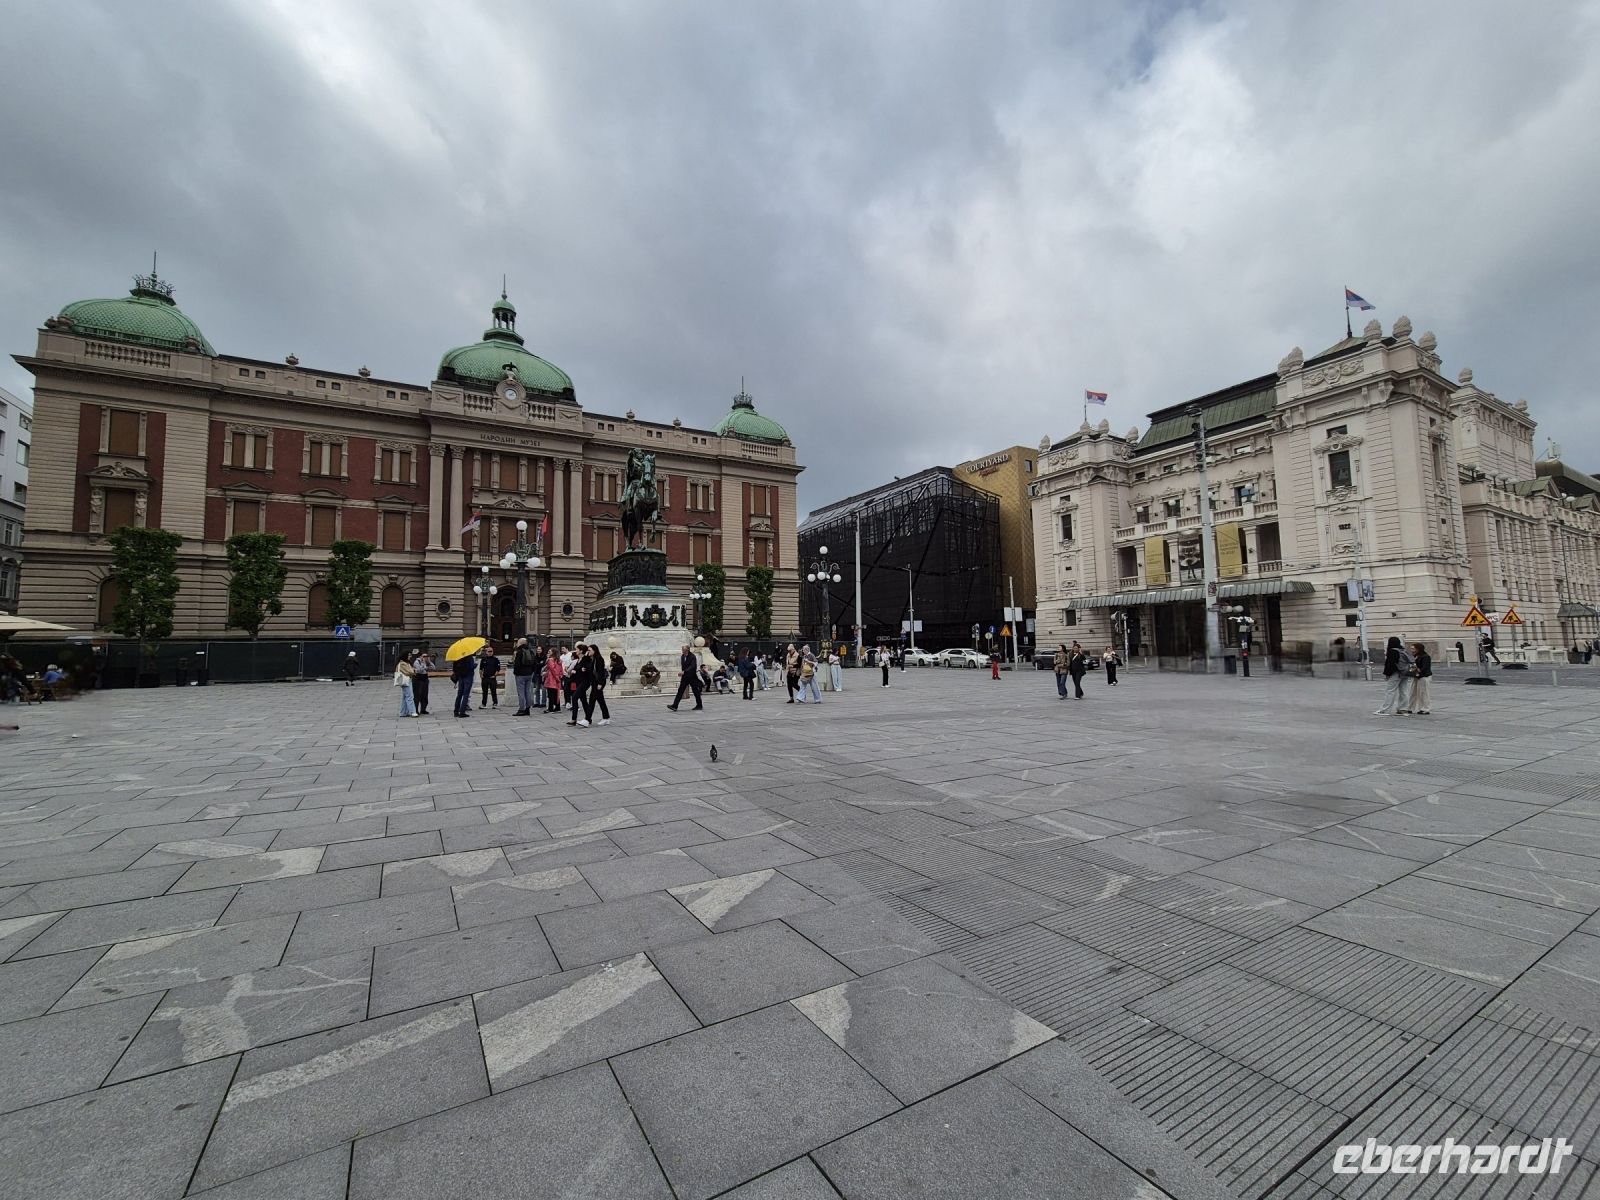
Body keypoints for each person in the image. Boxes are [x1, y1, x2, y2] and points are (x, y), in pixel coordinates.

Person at [1374, 636, 1413, 715]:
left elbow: (1390, 664)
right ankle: (1402, 709)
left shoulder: (1392, 651)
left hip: (1396, 673)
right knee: (1404, 691)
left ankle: (1384, 710)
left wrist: (1387, 674)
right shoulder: (1403, 650)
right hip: (1405, 673)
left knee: (1390, 691)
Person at [668, 644, 704, 711]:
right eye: (682, 650)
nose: (682, 651)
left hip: (692, 677)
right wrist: (682, 673)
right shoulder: (682, 656)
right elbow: (684, 666)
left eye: (683, 650)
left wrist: (684, 671)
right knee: (680, 691)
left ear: (687, 650)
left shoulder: (692, 657)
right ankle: (675, 705)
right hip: (685, 677)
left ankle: (699, 705)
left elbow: (693, 667)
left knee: (695, 691)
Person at [511, 637, 537, 715]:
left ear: (521, 643)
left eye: (518, 642)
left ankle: (521, 709)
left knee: (521, 692)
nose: (517, 643)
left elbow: (517, 664)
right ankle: (527, 708)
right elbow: (534, 663)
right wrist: (532, 671)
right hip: (529, 674)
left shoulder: (519, 651)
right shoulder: (531, 651)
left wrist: (516, 673)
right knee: (528, 691)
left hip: (520, 675)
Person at [1409, 641, 1433, 715]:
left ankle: (1425, 708)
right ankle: (1410, 707)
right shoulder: (1416, 656)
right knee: (1412, 692)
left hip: (1424, 676)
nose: (1412, 650)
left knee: (1423, 693)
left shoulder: (1425, 656)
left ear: (1418, 649)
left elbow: (1424, 668)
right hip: (1416, 676)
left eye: (1413, 648)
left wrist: (1417, 669)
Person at [451, 651, 476, 718]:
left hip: (460, 677)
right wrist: (475, 665)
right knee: (466, 694)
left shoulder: (457, 657)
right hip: (468, 676)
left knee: (459, 694)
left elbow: (454, 668)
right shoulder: (469, 657)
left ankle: (456, 711)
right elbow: (471, 667)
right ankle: (462, 712)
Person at [393, 652, 417, 718]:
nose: (410, 656)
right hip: (406, 681)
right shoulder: (403, 663)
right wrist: (414, 670)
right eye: (409, 655)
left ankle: (403, 712)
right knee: (410, 696)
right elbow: (410, 672)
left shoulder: (405, 663)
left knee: (405, 697)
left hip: (406, 680)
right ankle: (412, 712)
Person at [543, 647, 566, 713]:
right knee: (556, 693)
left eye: (550, 651)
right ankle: (557, 707)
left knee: (551, 694)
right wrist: (560, 677)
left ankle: (550, 708)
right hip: (558, 678)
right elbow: (561, 669)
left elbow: (553, 670)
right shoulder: (559, 660)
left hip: (551, 679)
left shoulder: (550, 660)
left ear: (553, 652)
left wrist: (557, 678)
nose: (548, 652)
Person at [412, 649, 432, 714]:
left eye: (426, 656)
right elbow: (419, 670)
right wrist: (424, 665)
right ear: (420, 656)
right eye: (424, 656)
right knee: (417, 695)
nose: (425, 657)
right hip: (418, 679)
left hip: (425, 679)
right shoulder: (417, 662)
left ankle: (423, 709)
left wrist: (429, 661)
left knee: (424, 695)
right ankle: (416, 710)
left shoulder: (426, 661)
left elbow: (433, 667)